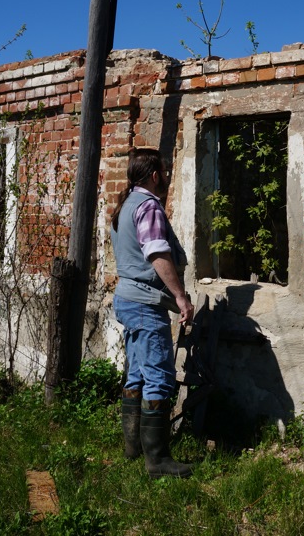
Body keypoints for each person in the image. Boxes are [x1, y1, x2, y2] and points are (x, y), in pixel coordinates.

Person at [110, 148, 193, 479]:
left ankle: (134, 447)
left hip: (127, 300)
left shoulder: (126, 204)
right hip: (145, 304)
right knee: (158, 376)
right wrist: (180, 296)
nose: (168, 177)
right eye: (165, 172)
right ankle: (157, 461)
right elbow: (157, 254)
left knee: (137, 375)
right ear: (156, 175)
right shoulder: (148, 207)